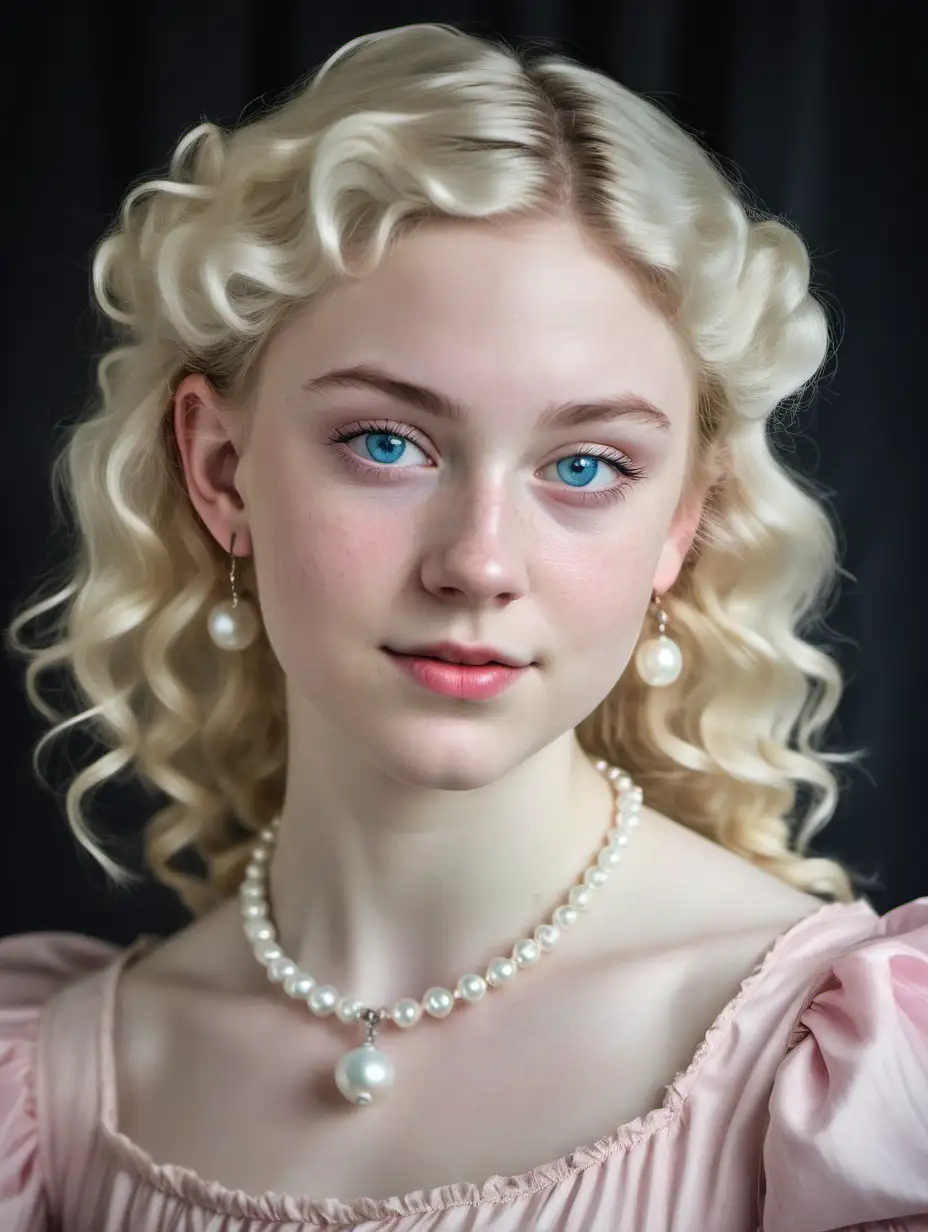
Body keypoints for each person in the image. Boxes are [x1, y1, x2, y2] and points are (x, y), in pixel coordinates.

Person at [1, 20, 925, 1232]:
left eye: (585, 465)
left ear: (677, 528)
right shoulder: (52, 1092)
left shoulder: (856, 1080)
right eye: (386, 443)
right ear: (219, 468)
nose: (479, 562)